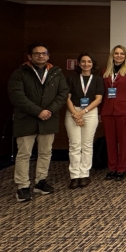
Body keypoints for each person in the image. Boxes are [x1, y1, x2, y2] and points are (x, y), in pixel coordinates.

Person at [9, 42, 69, 202]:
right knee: (24, 154)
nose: (41, 56)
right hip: (26, 119)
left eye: (44, 53)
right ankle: (22, 186)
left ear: (48, 56)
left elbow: (63, 93)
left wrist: (49, 111)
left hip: (48, 119)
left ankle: (40, 182)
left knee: (45, 152)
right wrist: (38, 111)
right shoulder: (20, 73)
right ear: (30, 56)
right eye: (37, 53)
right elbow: (17, 96)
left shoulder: (56, 72)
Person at [64, 52, 104, 189]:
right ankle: (74, 175)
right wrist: (75, 114)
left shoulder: (97, 79)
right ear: (79, 63)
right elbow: (67, 98)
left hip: (90, 113)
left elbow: (98, 99)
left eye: (89, 62)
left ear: (93, 64)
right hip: (73, 111)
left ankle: (84, 174)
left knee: (87, 144)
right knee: (75, 145)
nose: (86, 64)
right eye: (83, 61)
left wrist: (82, 113)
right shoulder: (72, 78)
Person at [101, 45, 126, 181]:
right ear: (112, 55)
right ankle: (112, 168)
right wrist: (100, 112)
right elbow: (101, 93)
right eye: (116, 53)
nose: (119, 56)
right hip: (107, 111)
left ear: (125, 56)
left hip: (123, 111)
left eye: (122, 54)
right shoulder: (104, 71)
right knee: (110, 141)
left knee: (123, 141)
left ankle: (121, 168)